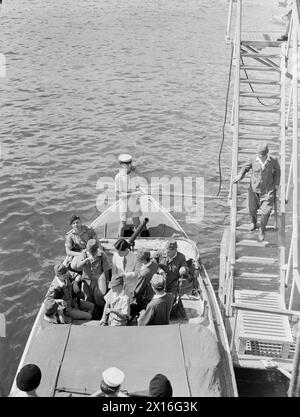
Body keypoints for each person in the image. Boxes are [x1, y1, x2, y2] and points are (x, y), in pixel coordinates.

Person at [233, 142, 281, 242]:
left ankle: (262, 230)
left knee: (266, 211)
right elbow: (245, 168)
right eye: (259, 155)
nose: (261, 157)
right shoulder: (252, 159)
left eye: (263, 156)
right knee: (251, 209)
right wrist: (240, 176)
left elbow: (277, 171)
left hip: (268, 190)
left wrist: (276, 184)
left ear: (266, 154)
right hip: (254, 189)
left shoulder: (273, 160)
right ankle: (253, 222)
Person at [71, 239, 111, 313]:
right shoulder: (84, 253)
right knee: (87, 298)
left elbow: (106, 270)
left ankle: (101, 313)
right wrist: (85, 260)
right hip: (86, 281)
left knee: (99, 300)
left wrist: (107, 282)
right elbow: (78, 266)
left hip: (98, 282)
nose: (90, 252)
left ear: (96, 250)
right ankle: (91, 313)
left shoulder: (102, 255)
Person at [115, 154, 142, 237]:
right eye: (125, 164)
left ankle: (140, 240)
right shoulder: (118, 177)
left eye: (129, 163)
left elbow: (140, 185)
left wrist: (139, 191)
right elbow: (118, 194)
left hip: (134, 202)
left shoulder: (135, 173)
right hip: (124, 202)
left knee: (137, 224)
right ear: (121, 165)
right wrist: (132, 194)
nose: (128, 166)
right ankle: (120, 240)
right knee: (123, 225)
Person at [130, 249, 157, 319]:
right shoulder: (154, 263)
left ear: (143, 260)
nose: (137, 260)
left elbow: (138, 289)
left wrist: (131, 297)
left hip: (145, 297)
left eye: (138, 259)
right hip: (153, 292)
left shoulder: (144, 274)